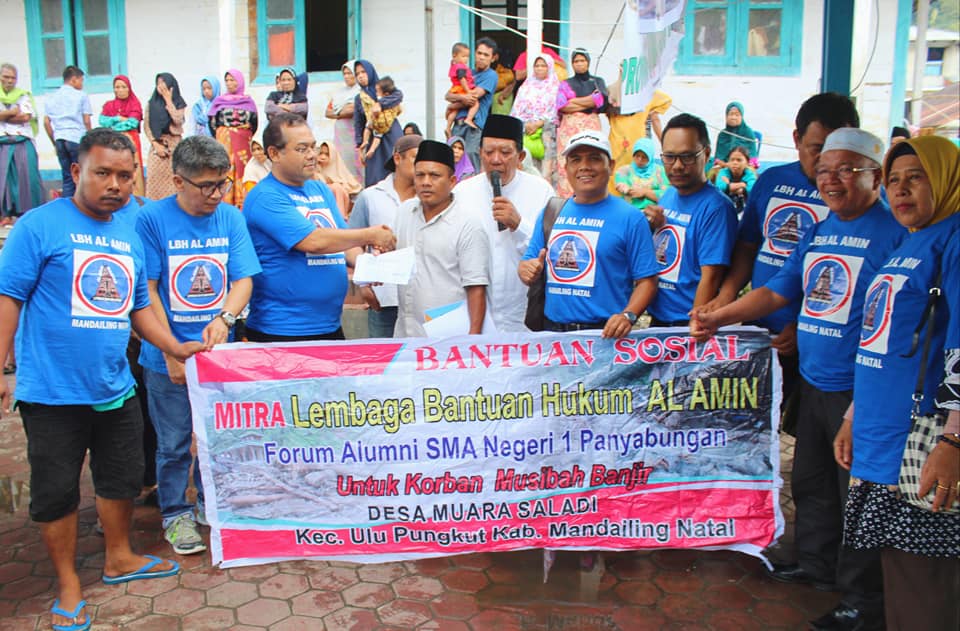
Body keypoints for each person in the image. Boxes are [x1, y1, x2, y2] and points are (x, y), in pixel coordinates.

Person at [691, 128, 907, 631]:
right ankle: (816, 563)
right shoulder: (820, 229)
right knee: (812, 479)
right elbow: (776, 291)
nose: (832, 180)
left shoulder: (894, 232)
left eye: (847, 170)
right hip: (813, 379)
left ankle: (861, 601)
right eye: (825, 170)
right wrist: (720, 316)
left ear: (875, 175)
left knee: (859, 494)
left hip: (862, 392)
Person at [0, 128, 207, 631]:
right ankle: (69, 584)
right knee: (56, 490)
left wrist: (174, 346)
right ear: (76, 172)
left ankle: (119, 558)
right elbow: (9, 297)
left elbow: (138, 306)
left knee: (119, 477)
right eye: (102, 173)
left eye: (124, 175)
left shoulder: (129, 231)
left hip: (116, 386)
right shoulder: (38, 226)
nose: (115, 184)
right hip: (51, 392)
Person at [834, 135, 960, 631]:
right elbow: (880, 339)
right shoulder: (914, 239)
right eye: (895, 181)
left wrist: (954, 438)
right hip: (883, 430)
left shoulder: (953, 238)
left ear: (946, 179)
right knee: (899, 574)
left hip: (926, 436)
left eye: (917, 178)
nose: (902, 190)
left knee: (925, 583)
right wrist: (853, 414)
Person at [136, 135, 261, 556]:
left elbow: (243, 279)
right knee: (173, 442)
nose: (215, 194)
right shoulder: (151, 220)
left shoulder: (230, 217)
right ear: (177, 181)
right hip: (165, 354)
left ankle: (213, 504)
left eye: (222, 183)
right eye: (205, 185)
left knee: (219, 435)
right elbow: (146, 290)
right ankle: (175, 513)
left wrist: (225, 318)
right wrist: (170, 348)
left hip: (217, 356)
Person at [703, 92, 860, 405]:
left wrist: (804, 325)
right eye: (818, 149)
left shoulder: (854, 202)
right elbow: (748, 247)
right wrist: (725, 297)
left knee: (807, 428)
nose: (828, 162)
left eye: (838, 149)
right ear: (797, 140)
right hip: (760, 328)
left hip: (820, 342)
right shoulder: (771, 181)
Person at [243, 113, 396, 342]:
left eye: (313, 147)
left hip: (329, 325)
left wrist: (369, 267)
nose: (312, 155)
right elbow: (313, 241)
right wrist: (370, 234)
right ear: (274, 153)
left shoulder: (320, 190)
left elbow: (343, 240)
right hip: (282, 330)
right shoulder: (265, 197)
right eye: (302, 149)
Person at [519, 131, 659, 338]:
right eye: (576, 160)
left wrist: (628, 316)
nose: (584, 166)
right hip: (553, 336)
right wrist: (525, 269)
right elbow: (528, 262)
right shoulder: (551, 211)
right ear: (566, 168)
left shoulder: (630, 218)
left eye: (594, 158)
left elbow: (647, 280)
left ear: (610, 166)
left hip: (605, 338)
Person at [455, 114, 553, 333]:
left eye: (505, 153)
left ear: (520, 156)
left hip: (522, 315)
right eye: (489, 152)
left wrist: (518, 224)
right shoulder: (462, 193)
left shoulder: (541, 191)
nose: (496, 159)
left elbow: (549, 251)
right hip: (475, 317)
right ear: (480, 153)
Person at [647, 113, 737, 328]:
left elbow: (712, 276)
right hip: (659, 318)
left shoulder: (717, 208)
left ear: (706, 154)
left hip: (686, 322)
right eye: (669, 157)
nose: (677, 166)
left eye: (687, 156)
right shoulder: (669, 195)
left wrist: (694, 325)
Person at [394, 140, 491, 337]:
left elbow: (476, 288)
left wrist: (472, 340)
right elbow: (395, 261)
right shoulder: (405, 212)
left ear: (452, 181)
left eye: (435, 175)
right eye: (420, 175)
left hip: (448, 340)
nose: (426, 182)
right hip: (406, 334)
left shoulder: (467, 224)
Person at [350, 134, 423, 337]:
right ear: (397, 159)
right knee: (386, 362)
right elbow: (352, 242)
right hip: (384, 299)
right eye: (416, 158)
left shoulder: (429, 199)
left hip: (424, 299)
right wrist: (364, 282)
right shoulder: (371, 197)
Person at [555, 48, 607, 197]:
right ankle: (567, 200)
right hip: (569, 129)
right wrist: (589, 100)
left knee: (592, 159)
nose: (579, 64)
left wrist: (573, 102)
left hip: (591, 126)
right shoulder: (565, 83)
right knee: (569, 161)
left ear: (588, 62)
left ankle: (592, 197)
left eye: (582, 60)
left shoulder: (597, 81)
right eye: (576, 61)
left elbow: (601, 102)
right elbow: (562, 105)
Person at [445, 37, 499, 171]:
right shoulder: (467, 72)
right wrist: (456, 98)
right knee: (452, 163)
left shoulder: (491, 75)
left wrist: (452, 105)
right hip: (457, 124)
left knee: (471, 162)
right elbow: (447, 95)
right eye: (479, 53)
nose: (481, 57)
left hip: (474, 127)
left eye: (486, 55)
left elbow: (473, 97)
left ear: (492, 58)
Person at [208, 69, 258, 208]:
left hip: (243, 144)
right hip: (224, 143)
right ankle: (225, 203)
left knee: (243, 171)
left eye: (233, 80)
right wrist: (225, 134)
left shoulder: (248, 102)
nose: (230, 83)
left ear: (240, 82)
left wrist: (239, 133)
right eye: (227, 80)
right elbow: (213, 123)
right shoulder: (219, 102)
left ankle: (242, 205)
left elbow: (254, 124)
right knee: (225, 170)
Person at [0, 62, 43, 223]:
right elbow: (18, 115)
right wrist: (12, 112)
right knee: (3, 180)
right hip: (2, 143)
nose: (10, 81)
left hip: (22, 141)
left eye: (13, 78)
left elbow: (25, 117)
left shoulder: (23, 95)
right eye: (6, 77)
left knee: (27, 178)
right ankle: (5, 215)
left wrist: (3, 115)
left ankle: (28, 214)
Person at [43, 65, 92, 198]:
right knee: (82, 174)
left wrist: (54, 141)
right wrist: (91, 138)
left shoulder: (51, 97)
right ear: (74, 79)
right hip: (76, 139)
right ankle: (83, 208)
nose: (82, 84)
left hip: (60, 139)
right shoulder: (81, 96)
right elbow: (86, 120)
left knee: (67, 176)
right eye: (81, 80)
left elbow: (47, 122)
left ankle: (67, 208)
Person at [510, 54, 561, 178]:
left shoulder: (555, 87)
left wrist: (539, 123)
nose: (539, 68)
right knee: (526, 166)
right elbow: (516, 109)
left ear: (549, 67)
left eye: (543, 65)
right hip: (526, 131)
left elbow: (557, 111)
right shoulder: (525, 87)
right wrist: (526, 125)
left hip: (547, 131)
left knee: (546, 170)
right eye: (537, 66)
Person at [353, 60, 402, 186]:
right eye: (357, 74)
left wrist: (380, 103)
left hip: (391, 134)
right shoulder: (359, 98)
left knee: (397, 171)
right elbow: (359, 123)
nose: (361, 76)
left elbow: (398, 95)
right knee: (375, 177)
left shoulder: (382, 88)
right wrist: (360, 146)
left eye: (363, 72)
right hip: (372, 138)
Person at [99, 75, 145, 196]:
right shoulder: (109, 105)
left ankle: (136, 196)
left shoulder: (135, 104)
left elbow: (132, 123)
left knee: (132, 167)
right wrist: (119, 118)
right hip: (112, 141)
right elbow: (102, 120)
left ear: (129, 88)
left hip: (130, 139)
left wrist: (113, 126)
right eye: (117, 87)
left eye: (123, 87)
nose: (120, 90)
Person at [144, 73, 187, 200]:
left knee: (175, 182)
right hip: (157, 146)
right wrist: (155, 144)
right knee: (154, 183)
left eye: (164, 83)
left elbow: (178, 120)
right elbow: (147, 126)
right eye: (158, 84)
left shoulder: (179, 103)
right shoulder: (151, 104)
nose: (161, 87)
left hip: (174, 146)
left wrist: (168, 100)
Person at [325, 60, 361, 183]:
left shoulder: (361, 91)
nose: (346, 76)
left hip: (354, 136)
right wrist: (341, 112)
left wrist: (337, 111)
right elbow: (327, 112)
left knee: (356, 165)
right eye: (344, 73)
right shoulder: (339, 93)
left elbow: (351, 110)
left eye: (350, 73)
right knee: (342, 164)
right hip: (341, 137)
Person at [614, 137, 667, 211]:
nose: (640, 160)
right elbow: (621, 185)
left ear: (650, 157)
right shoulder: (624, 170)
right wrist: (627, 190)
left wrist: (645, 192)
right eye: (637, 156)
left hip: (654, 213)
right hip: (629, 212)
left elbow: (667, 196)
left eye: (644, 157)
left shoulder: (660, 171)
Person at [315, 139, 362, 218]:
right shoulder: (314, 171)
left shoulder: (341, 172)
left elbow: (355, 193)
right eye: (321, 153)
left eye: (327, 154)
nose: (323, 157)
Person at [361, 76, 403, 164]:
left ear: (386, 93)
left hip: (382, 121)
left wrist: (376, 111)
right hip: (378, 121)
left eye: (378, 91)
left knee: (374, 132)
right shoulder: (393, 100)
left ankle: (368, 145)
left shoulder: (385, 100)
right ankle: (367, 144)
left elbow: (376, 110)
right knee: (373, 131)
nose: (376, 93)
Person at [445, 42, 479, 136]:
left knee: (454, 111)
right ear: (454, 55)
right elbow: (462, 79)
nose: (466, 59)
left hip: (455, 88)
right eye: (464, 56)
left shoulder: (454, 65)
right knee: (475, 103)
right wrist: (468, 91)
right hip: (461, 89)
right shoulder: (460, 67)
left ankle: (448, 127)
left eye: (467, 57)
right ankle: (469, 119)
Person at [714, 101, 758, 167]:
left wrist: (740, 166)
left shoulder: (748, 132)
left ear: (741, 117)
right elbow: (718, 159)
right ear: (726, 116)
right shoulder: (723, 134)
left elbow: (753, 159)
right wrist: (727, 165)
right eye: (731, 114)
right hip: (725, 166)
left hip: (744, 166)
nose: (733, 117)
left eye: (737, 115)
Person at [715, 145, 756, 213]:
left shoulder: (750, 174)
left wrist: (728, 185)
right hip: (722, 208)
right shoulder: (723, 172)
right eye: (732, 160)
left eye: (739, 160)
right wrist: (743, 184)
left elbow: (751, 190)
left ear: (747, 163)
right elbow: (720, 187)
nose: (735, 163)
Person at [490, 48, 516, 116]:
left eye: (496, 55)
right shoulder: (499, 68)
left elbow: (498, 84)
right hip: (498, 98)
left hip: (502, 99)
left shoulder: (507, 72)